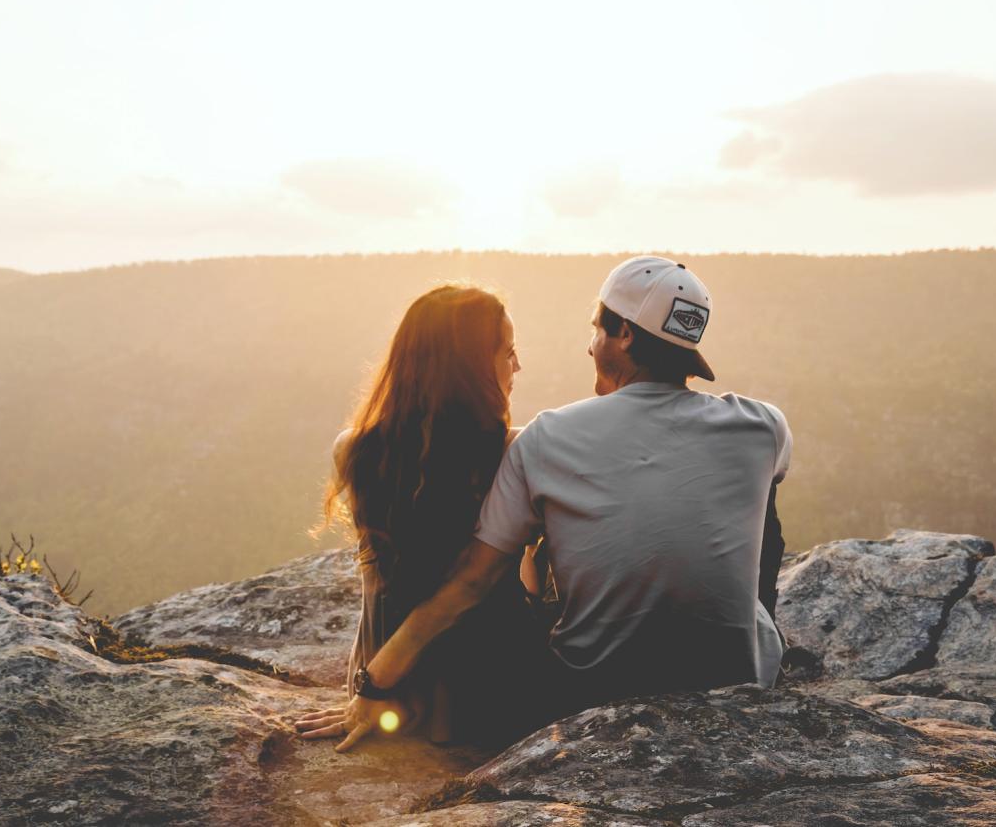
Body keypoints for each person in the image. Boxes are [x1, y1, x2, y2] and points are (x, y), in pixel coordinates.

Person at [320, 256, 792, 753]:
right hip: (739, 680)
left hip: (590, 687)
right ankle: (742, 632)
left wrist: (376, 680)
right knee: (765, 493)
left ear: (625, 335)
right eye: (510, 353)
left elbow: (471, 580)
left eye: (596, 329)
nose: (590, 345)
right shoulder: (764, 426)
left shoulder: (548, 438)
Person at [294, 283, 546, 747]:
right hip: (491, 689)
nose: (517, 366)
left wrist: (370, 686)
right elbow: (474, 586)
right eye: (508, 352)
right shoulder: (517, 451)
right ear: (469, 370)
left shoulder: (353, 449)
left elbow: (382, 589)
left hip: (385, 685)